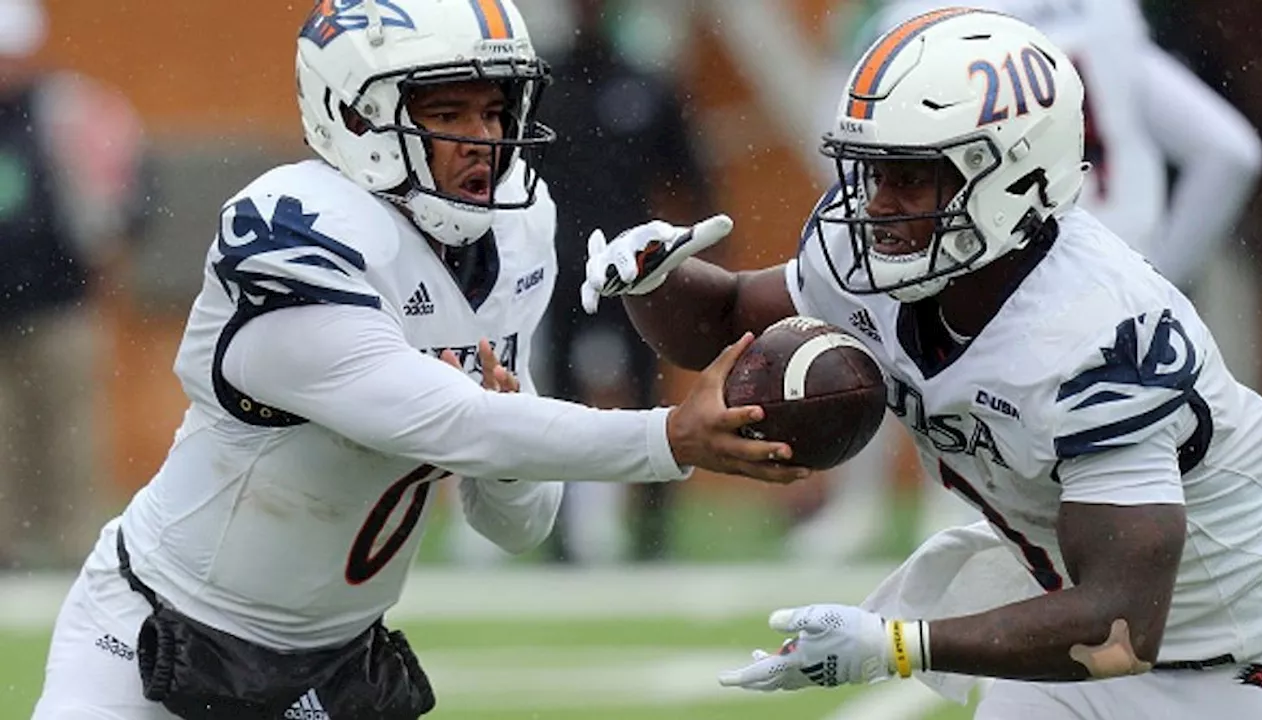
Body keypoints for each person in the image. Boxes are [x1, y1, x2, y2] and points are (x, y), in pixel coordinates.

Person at [31, 1, 805, 718]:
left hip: (333, 668)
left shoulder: (514, 228)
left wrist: (506, 450)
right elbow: (445, 422)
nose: (485, 138)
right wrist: (667, 437)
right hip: (153, 642)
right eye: (447, 112)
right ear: (352, 112)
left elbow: (517, 523)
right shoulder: (293, 230)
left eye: (495, 109)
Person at [582, 7, 1262, 718]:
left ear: (1013, 176)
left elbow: (1120, 626)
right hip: (1081, 629)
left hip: (1238, 656)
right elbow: (725, 320)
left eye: (910, 178)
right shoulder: (883, 252)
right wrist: (649, 280)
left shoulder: (1096, 334)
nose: (877, 206)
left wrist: (898, 644)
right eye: (872, 171)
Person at [788, 0, 1262, 564]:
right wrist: (1159, 272)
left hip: (996, 267)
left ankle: (865, 515)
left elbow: (867, 163)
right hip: (1098, 273)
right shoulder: (1105, 16)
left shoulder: (924, 20)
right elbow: (1229, 151)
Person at [535, 0, 715, 564]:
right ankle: (559, 535)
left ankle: (653, 528)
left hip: (634, 269)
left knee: (647, 397)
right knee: (556, 403)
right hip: (559, 268)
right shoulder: (542, 87)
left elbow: (688, 175)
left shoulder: (645, 86)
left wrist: (707, 260)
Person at [0, 0, 146, 571]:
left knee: (68, 434)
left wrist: (101, 254)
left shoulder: (72, 110)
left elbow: (126, 194)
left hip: (59, 302)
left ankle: (70, 552)